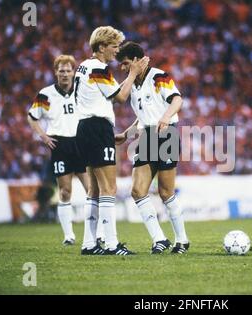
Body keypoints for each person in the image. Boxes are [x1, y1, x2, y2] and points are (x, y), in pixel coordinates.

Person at [74, 26, 149, 255]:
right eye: (114, 46)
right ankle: (112, 244)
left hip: (85, 127)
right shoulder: (98, 68)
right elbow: (121, 97)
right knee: (109, 188)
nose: (117, 51)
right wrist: (133, 73)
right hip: (97, 128)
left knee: (94, 191)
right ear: (102, 47)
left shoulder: (83, 66)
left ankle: (89, 243)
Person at [115, 41, 189, 254]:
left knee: (166, 193)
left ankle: (182, 240)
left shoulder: (158, 76)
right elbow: (141, 118)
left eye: (126, 63)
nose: (122, 68)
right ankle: (159, 239)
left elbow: (177, 99)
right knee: (138, 191)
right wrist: (126, 134)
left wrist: (166, 117)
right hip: (146, 137)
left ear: (137, 60)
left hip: (166, 135)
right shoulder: (133, 84)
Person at [28, 55, 88, 246]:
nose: (64, 74)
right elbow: (32, 116)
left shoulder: (82, 90)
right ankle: (69, 235)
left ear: (73, 71)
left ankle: (94, 233)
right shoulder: (46, 94)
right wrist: (43, 136)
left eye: (68, 70)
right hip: (60, 145)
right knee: (65, 191)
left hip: (80, 143)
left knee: (91, 191)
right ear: (56, 72)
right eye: (61, 70)